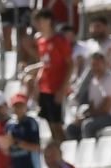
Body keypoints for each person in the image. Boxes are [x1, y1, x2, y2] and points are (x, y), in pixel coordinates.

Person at [27, 9, 77, 139]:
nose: (37, 24)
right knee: (50, 124)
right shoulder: (41, 41)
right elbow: (45, 63)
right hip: (45, 88)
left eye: (40, 20)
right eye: (36, 21)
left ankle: (63, 152)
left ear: (49, 21)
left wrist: (62, 89)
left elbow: (70, 64)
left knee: (57, 125)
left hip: (57, 87)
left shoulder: (59, 41)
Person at [66, 51, 111, 140]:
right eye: (93, 64)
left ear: (105, 64)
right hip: (99, 116)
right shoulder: (94, 82)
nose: (95, 67)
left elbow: (106, 108)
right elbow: (92, 106)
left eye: (98, 64)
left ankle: (91, 152)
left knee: (88, 125)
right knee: (71, 128)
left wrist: (86, 117)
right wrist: (82, 116)